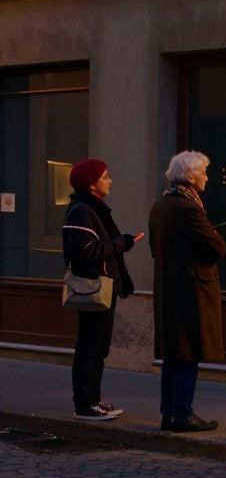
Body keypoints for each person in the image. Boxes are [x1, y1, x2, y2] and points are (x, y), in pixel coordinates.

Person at [150, 150, 226, 433]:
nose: (206, 177)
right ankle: (183, 414)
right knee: (187, 352)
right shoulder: (188, 208)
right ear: (191, 176)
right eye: (203, 172)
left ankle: (169, 413)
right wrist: (215, 235)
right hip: (190, 290)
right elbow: (216, 247)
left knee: (174, 354)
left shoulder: (161, 204)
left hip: (170, 287)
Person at [62, 159, 143, 421]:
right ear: (91, 183)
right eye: (105, 176)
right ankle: (84, 405)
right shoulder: (82, 211)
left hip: (104, 287)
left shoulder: (91, 209)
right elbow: (86, 253)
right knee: (90, 347)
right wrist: (123, 243)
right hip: (93, 287)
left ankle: (94, 401)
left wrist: (121, 243)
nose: (110, 181)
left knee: (99, 348)